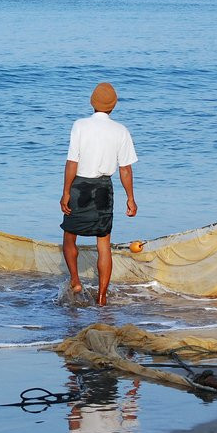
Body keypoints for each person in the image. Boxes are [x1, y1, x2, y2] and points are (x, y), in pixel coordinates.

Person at [59, 83, 137, 305]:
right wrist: (130, 198)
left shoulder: (80, 125)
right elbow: (125, 169)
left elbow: (72, 162)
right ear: (113, 106)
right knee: (103, 244)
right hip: (104, 189)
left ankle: (76, 281)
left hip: (79, 187)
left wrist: (66, 192)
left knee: (69, 237)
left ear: (92, 103)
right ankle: (102, 297)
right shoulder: (121, 131)